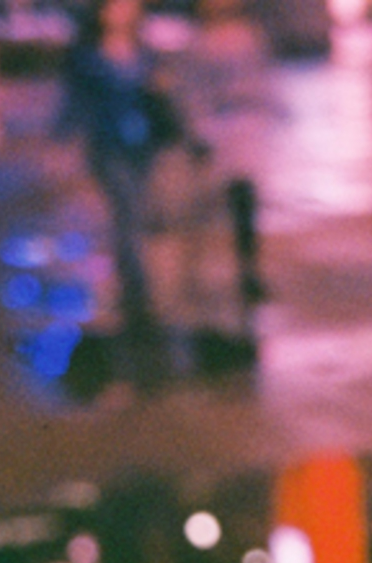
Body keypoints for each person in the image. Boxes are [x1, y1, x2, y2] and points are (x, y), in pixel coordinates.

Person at [58, 0, 184, 338]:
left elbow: (164, 96)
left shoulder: (146, 52)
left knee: (136, 211)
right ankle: (138, 290)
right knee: (126, 210)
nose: (124, 10)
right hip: (108, 145)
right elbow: (74, 102)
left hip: (143, 145)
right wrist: (61, 138)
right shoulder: (86, 56)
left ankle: (135, 285)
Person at [181, 0, 277, 314]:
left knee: (244, 202)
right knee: (206, 205)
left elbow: (263, 79)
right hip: (216, 128)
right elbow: (192, 90)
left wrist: (267, 115)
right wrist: (198, 129)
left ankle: (248, 270)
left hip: (246, 128)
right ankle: (194, 273)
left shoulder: (249, 36)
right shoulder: (198, 42)